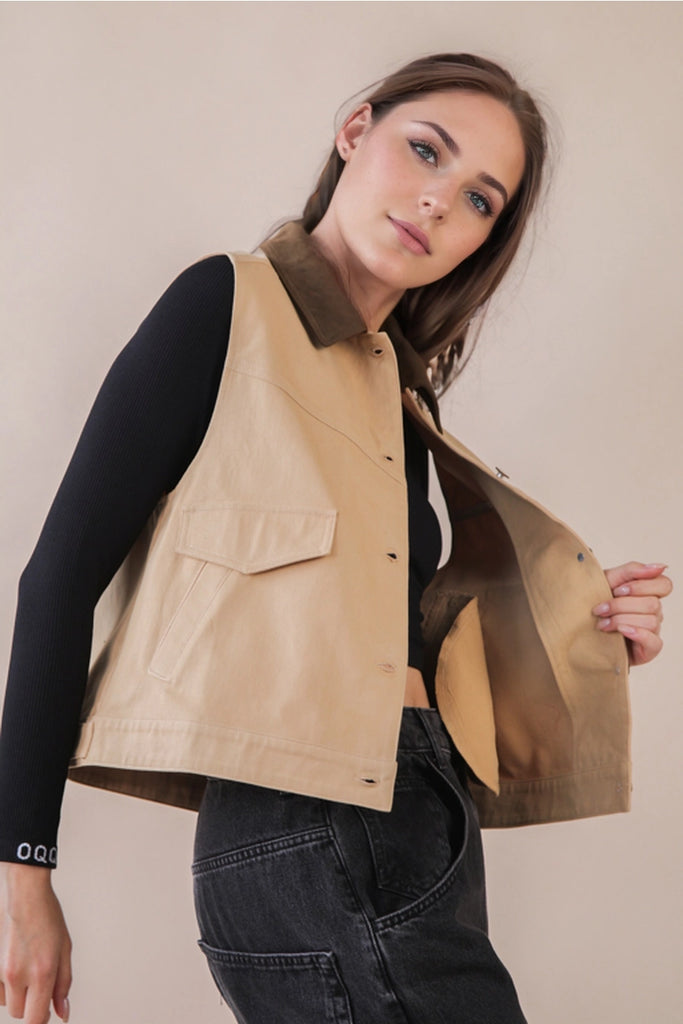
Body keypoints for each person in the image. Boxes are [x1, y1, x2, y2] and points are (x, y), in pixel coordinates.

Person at [0, 53, 671, 1024]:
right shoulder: (226, 304)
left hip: (415, 805)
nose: (438, 201)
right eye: (425, 151)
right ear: (355, 131)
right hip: (317, 818)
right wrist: (24, 872)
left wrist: (583, 627)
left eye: (478, 199)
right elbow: (58, 580)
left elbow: (392, 642)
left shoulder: (399, 395)